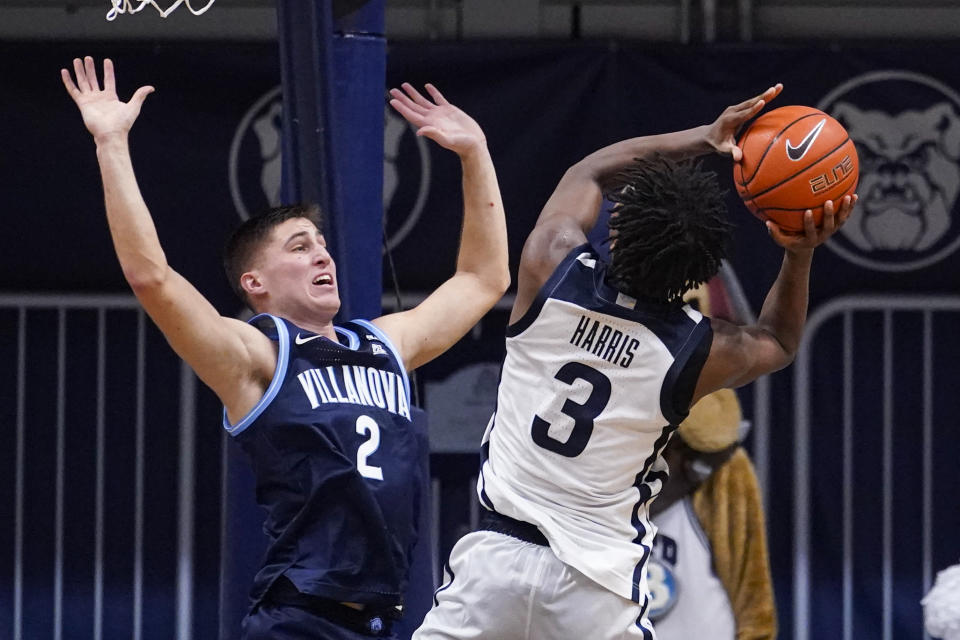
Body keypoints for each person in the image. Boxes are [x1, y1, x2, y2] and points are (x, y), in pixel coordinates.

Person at [62, 57, 509, 640]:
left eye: (322, 244)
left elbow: (483, 279)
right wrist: (111, 142)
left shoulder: (384, 343)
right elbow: (153, 277)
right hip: (300, 619)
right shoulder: (256, 358)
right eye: (300, 247)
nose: (322, 255)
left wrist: (476, 155)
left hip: (381, 619)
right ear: (256, 284)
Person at [413, 83, 857, 640]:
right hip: (595, 584)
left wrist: (704, 137)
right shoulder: (695, 349)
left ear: (615, 231)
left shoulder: (548, 269)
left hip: (496, 560)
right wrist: (800, 249)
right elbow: (779, 340)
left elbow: (592, 171)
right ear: (698, 276)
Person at [648, 387, 777, 640]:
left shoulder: (723, 479)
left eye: (699, 466)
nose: (683, 470)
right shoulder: (599, 478)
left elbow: (753, 601)